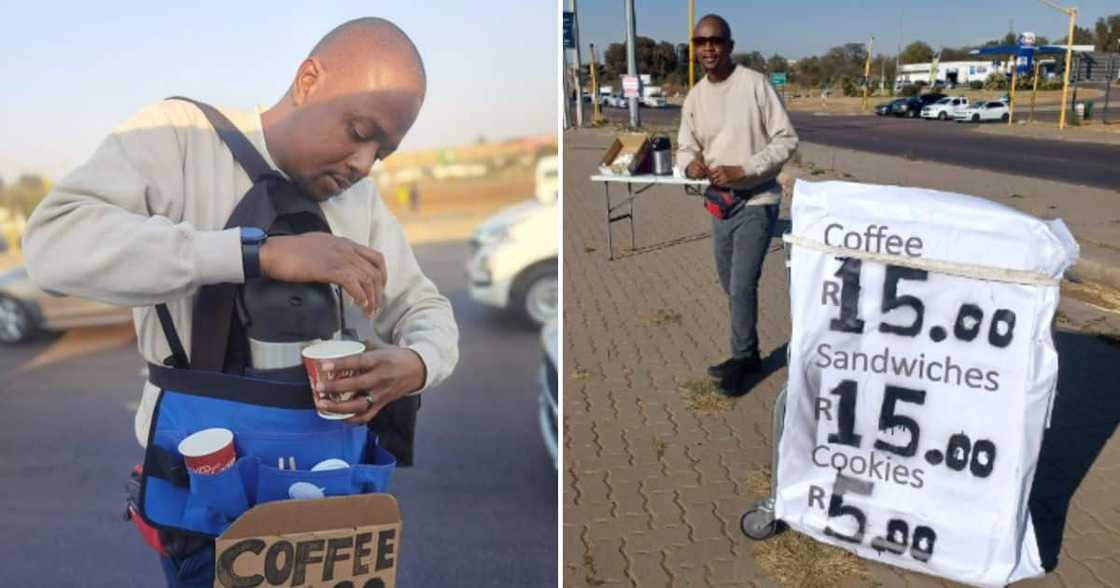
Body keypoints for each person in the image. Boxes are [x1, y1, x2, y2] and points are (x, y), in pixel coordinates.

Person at [22, 17, 459, 586]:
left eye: (383, 152)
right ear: (308, 80)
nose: (363, 163)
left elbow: (425, 308)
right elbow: (53, 245)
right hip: (209, 514)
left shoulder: (361, 201)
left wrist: (418, 363)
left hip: (335, 506)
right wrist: (256, 256)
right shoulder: (179, 136)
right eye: (359, 130)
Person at [676, 14, 798, 396]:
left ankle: (744, 360)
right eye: (701, 42)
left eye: (716, 40)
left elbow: (786, 140)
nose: (708, 47)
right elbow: (685, 146)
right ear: (695, 49)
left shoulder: (754, 85)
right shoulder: (695, 97)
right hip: (720, 205)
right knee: (730, 285)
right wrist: (689, 164)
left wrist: (744, 168)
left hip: (757, 200)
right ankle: (748, 352)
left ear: (730, 45)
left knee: (743, 284)